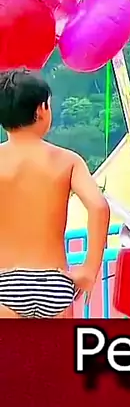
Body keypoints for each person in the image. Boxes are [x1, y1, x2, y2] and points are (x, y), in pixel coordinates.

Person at [0, 69, 110, 318]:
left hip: (5, 280)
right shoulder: (68, 160)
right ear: (42, 110)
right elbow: (98, 207)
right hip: (55, 282)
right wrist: (89, 270)